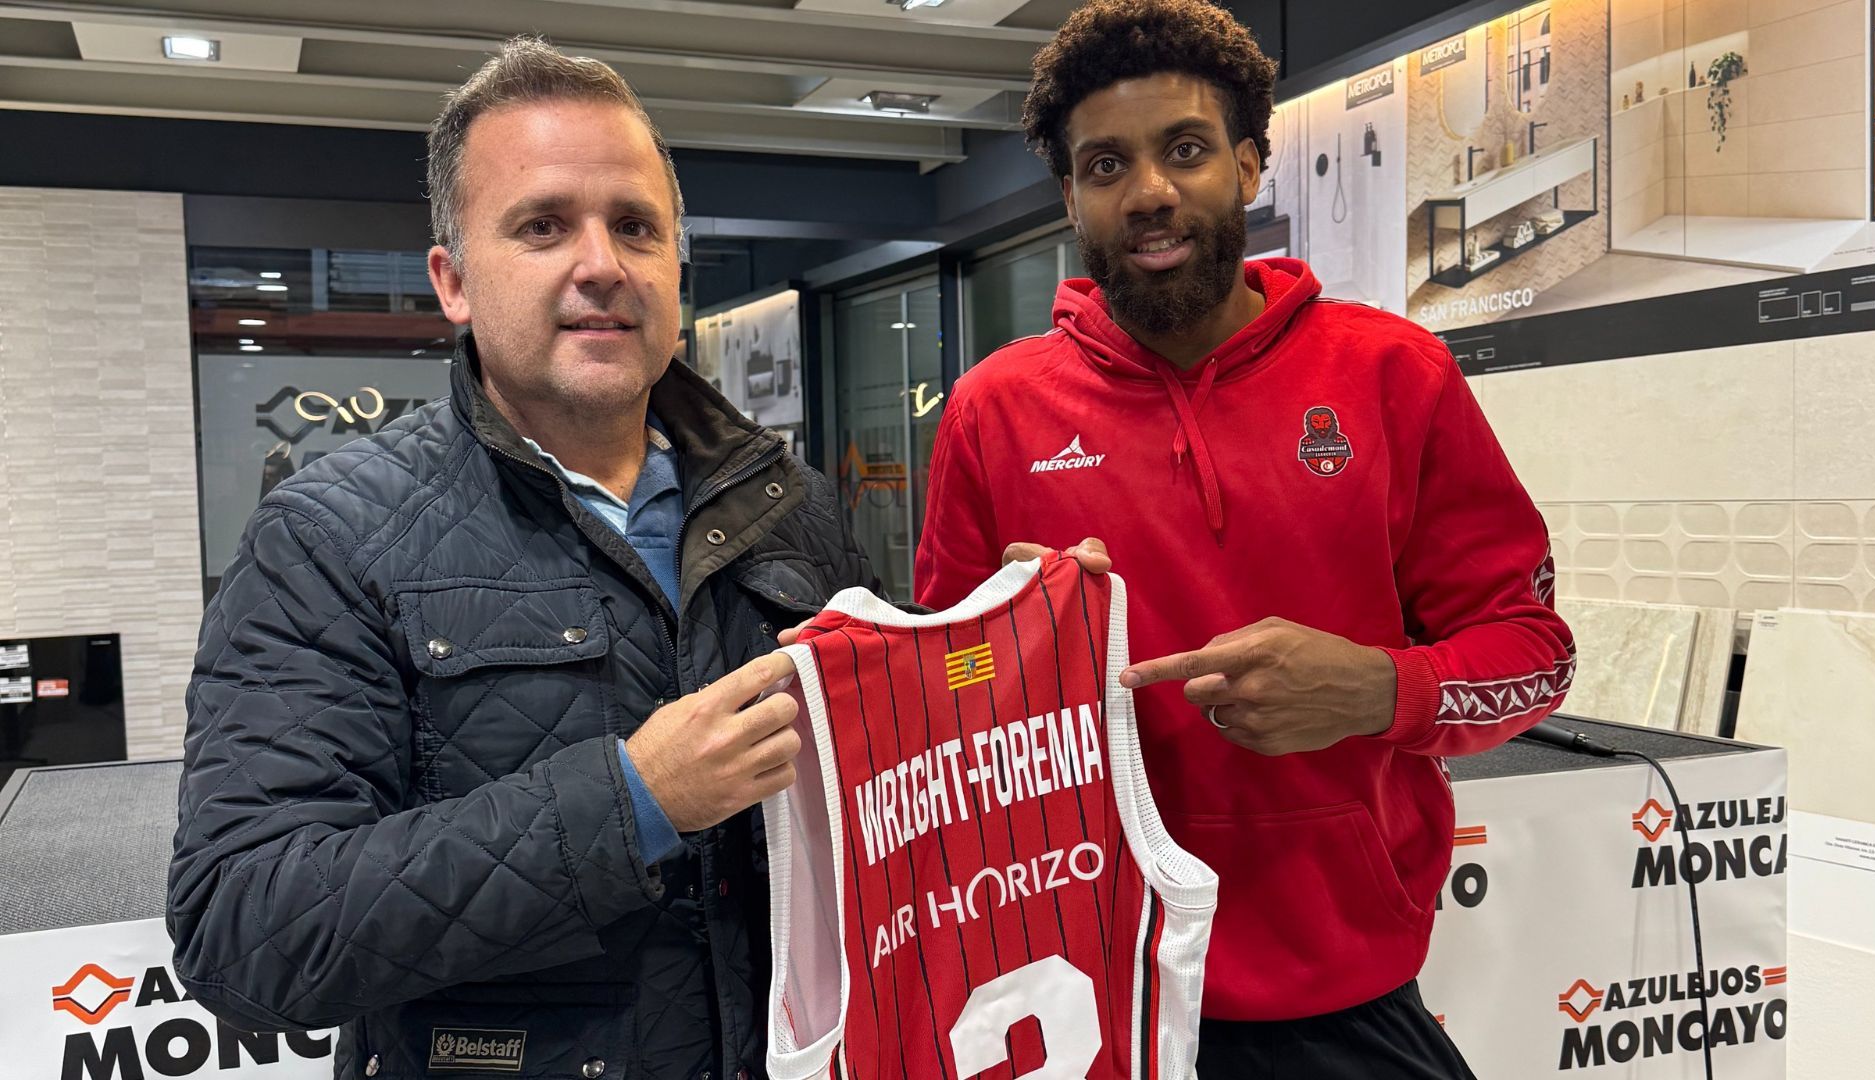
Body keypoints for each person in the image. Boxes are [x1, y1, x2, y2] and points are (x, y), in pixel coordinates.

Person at [168, 37, 876, 1080]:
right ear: (453, 282)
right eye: (543, 226)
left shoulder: (793, 509)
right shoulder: (328, 537)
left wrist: (1036, 650)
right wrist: (634, 800)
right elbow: (245, 928)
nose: (603, 264)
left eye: (635, 226)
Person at [913, 1, 1576, 1076]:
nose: (1150, 191)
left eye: (1185, 150)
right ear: (1072, 198)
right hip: (1086, 994)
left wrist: (1378, 690)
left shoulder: (1393, 375)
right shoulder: (995, 412)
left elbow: (1535, 657)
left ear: (1251, 166)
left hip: (1344, 995)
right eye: (1106, 165)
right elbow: (937, 717)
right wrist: (1003, 643)